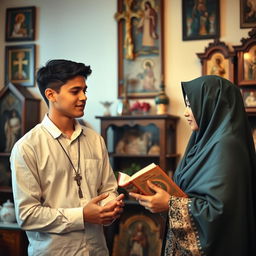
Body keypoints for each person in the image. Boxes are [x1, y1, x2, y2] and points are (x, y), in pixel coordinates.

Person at [130, 75, 256, 255]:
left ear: (211, 106)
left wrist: (170, 205)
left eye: (191, 105)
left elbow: (221, 213)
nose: (186, 112)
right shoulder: (202, 141)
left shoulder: (227, 147)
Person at [10, 59, 124, 256]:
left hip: (97, 250)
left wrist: (110, 207)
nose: (84, 97)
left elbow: (108, 189)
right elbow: (27, 215)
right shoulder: (27, 147)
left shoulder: (95, 140)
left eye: (84, 90)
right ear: (51, 94)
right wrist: (81, 215)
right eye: (75, 91)